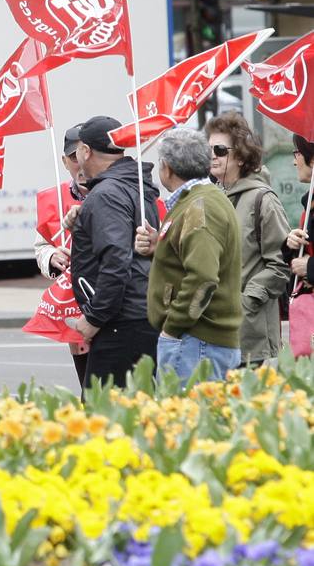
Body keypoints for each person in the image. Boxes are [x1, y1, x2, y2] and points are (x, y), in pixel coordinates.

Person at [133, 128, 241, 381]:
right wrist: (158, 248)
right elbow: (197, 258)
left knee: (186, 419)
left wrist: (172, 328)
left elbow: (203, 276)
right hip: (199, 340)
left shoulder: (198, 206)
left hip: (196, 341)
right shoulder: (201, 200)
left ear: (166, 168)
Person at [63, 115, 161, 388]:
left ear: (85, 151)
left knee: (104, 412)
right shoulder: (134, 184)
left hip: (121, 323)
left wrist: (93, 318)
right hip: (139, 314)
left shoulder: (107, 193)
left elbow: (116, 261)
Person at [204, 112, 290, 365]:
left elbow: (281, 263)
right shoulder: (212, 197)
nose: (212, 156)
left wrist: (245, 301)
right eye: (208, 149)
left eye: (220, 150)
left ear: (240, 156)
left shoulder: (263, 199)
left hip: (248, 334)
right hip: (211, 331)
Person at [33, 124, 91, 388]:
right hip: (73, 304)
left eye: (83, 154)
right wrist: (51, 258)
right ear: (64, 161)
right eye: (72, 157)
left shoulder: (120, 189)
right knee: (88, 385)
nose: (79, 163)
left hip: (113, 302)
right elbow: (41, 246)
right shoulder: (51, 199)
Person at [283, 134, 314, 299]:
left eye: (298, 153)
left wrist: (309, 267)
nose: (294, 162)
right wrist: (292, 245)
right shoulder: (309, 202)